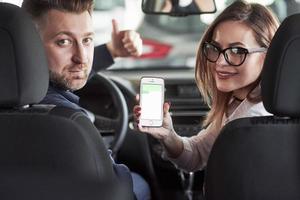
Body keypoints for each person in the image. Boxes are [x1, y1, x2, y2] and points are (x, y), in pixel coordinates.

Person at [21, 0, 150, 199]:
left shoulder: (17, 89)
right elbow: (117, 190)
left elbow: (60, 75)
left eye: (87, 40)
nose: (82, 58)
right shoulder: (69, 122)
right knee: (140, 184)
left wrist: (111, 51)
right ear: (30, 44)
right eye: (63, 41)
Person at [134, 0, 279, 172]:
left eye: (237, 51)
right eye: (215, 48)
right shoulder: (238, 102)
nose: (219, 62)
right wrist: (168, 135)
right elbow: (197, 155)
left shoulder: (253, 119)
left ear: (269, 54)